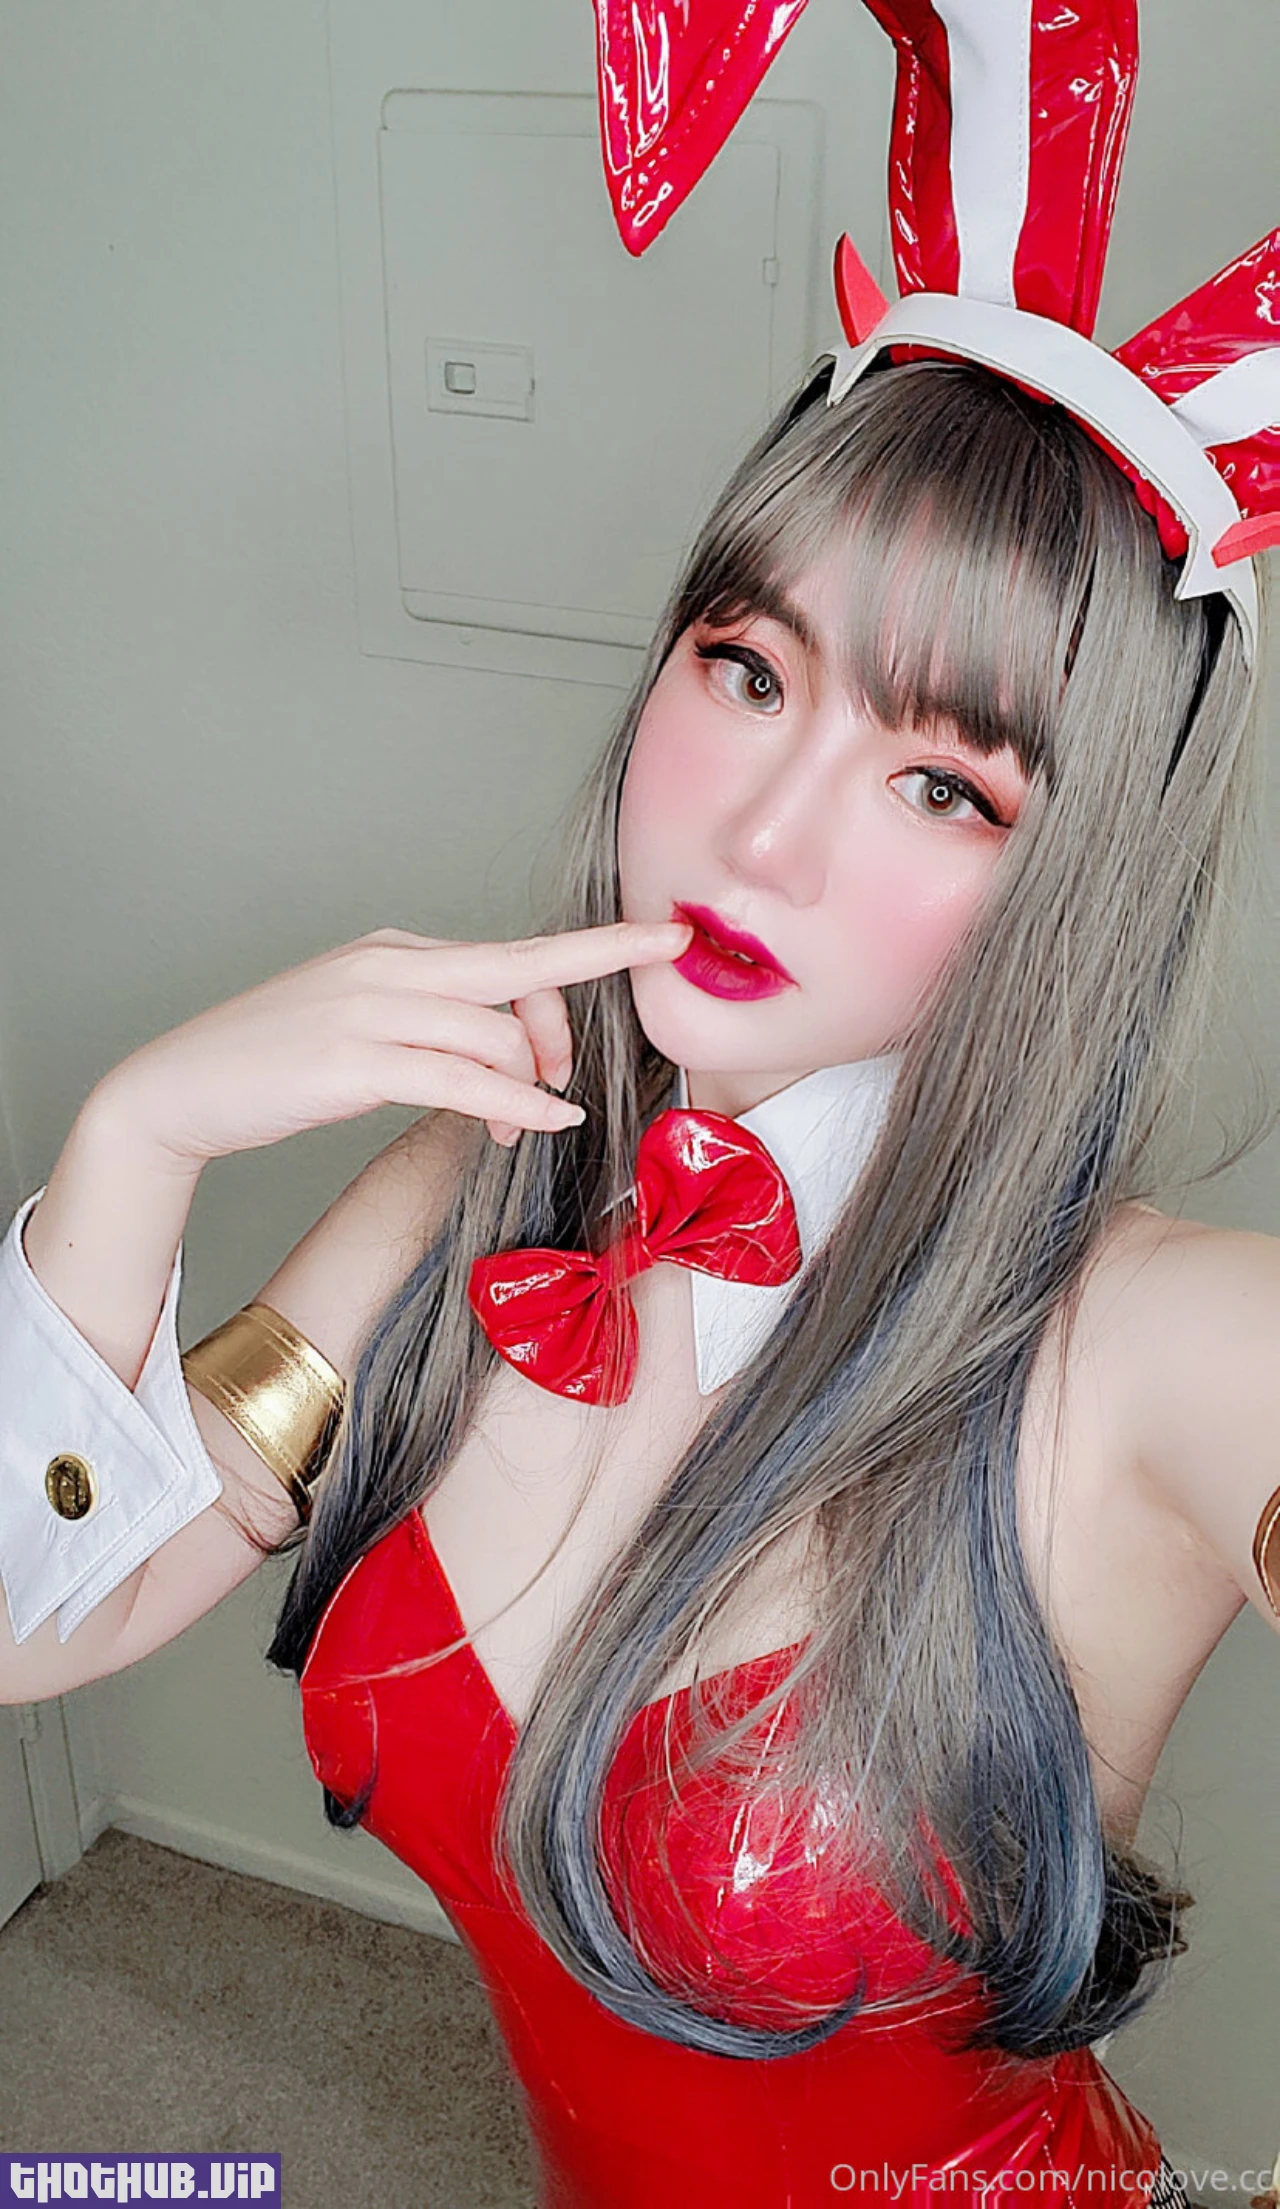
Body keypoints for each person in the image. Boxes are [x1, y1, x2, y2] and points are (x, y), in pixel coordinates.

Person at [2, 4, 1278, 2205]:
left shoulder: (1164, 1343)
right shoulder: (480, 1162)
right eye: (748, 670)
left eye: (945, 783)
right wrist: (139, 1141)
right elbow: (37, 1618)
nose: (763, 835)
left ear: (1078, 877)